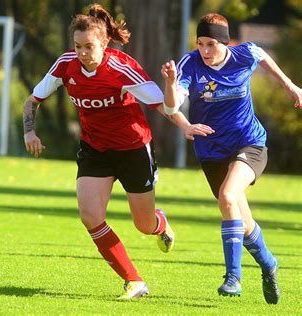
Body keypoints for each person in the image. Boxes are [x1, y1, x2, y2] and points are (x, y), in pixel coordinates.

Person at [22, 3, 184, 300]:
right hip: (95, 149)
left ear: (104, 43)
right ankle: (134, 281)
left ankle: (159, 223)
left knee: (143, 224)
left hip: (134, 149)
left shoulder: (122, 68)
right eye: (77, 46)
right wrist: (29, 131)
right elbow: (32, 100)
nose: (82, 53)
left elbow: (163, 105)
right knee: (90, 216)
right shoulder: (65, 64)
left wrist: (185, 126)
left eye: (89, 46)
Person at [161, 13, 301, 304]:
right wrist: (173, 87)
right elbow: (171, 105)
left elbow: (262, 55)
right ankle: (269, 264)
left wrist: (289, 85)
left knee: (227, 196)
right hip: (211, 151)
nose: (205, 51)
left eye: (211, 44)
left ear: (225, 43)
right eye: (200, 43)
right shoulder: (190, 64)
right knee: (243, 220)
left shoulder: (244, 54)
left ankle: (233, 277)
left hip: (250, 142)